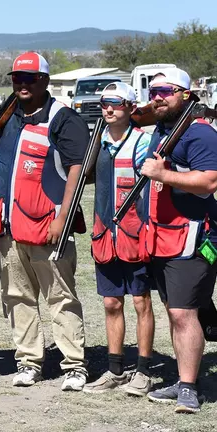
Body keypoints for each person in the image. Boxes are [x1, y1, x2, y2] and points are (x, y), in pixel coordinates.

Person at [0, 51, 89, 391]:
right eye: (17, 78)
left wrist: (63, 217)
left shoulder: (64, 118)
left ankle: (74, 365)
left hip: (48, 226)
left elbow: (78, 170)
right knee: (17, 297)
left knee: (60, 297)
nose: (23, 84)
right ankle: (29, 361)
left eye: (30, 78)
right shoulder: (7, 116)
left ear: (45, 80)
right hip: (9, 226)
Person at [140, 68, 217, 414]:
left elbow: (210, 181)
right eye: (153, 91)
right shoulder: (163, 129)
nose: (157, 97)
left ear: (185, 94)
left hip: (193, 236)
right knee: (177, 312)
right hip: (164, 236)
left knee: (183, 313)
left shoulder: (199, 133)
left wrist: (163, 175)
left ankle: (188, 388)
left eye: (166, 91)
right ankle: (184, 378)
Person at [83, 83, 155, 396]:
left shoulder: (143, 141)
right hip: (105, 235)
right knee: (111, 302)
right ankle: (115, 370)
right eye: (104, 103)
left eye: (116, 103)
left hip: (134, 234)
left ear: (130, 107)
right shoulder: (96, 140)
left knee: (141, 302)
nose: (109, 109)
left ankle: (144, 370)